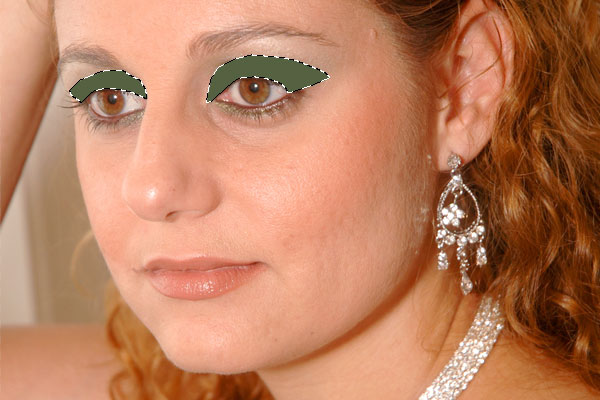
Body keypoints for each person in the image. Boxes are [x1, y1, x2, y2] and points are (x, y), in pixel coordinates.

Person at [2, 0, 599, 399]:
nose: (151, 188)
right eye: (108, 98)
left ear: (463, 87)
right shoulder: (180, 386)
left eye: (254, 88)